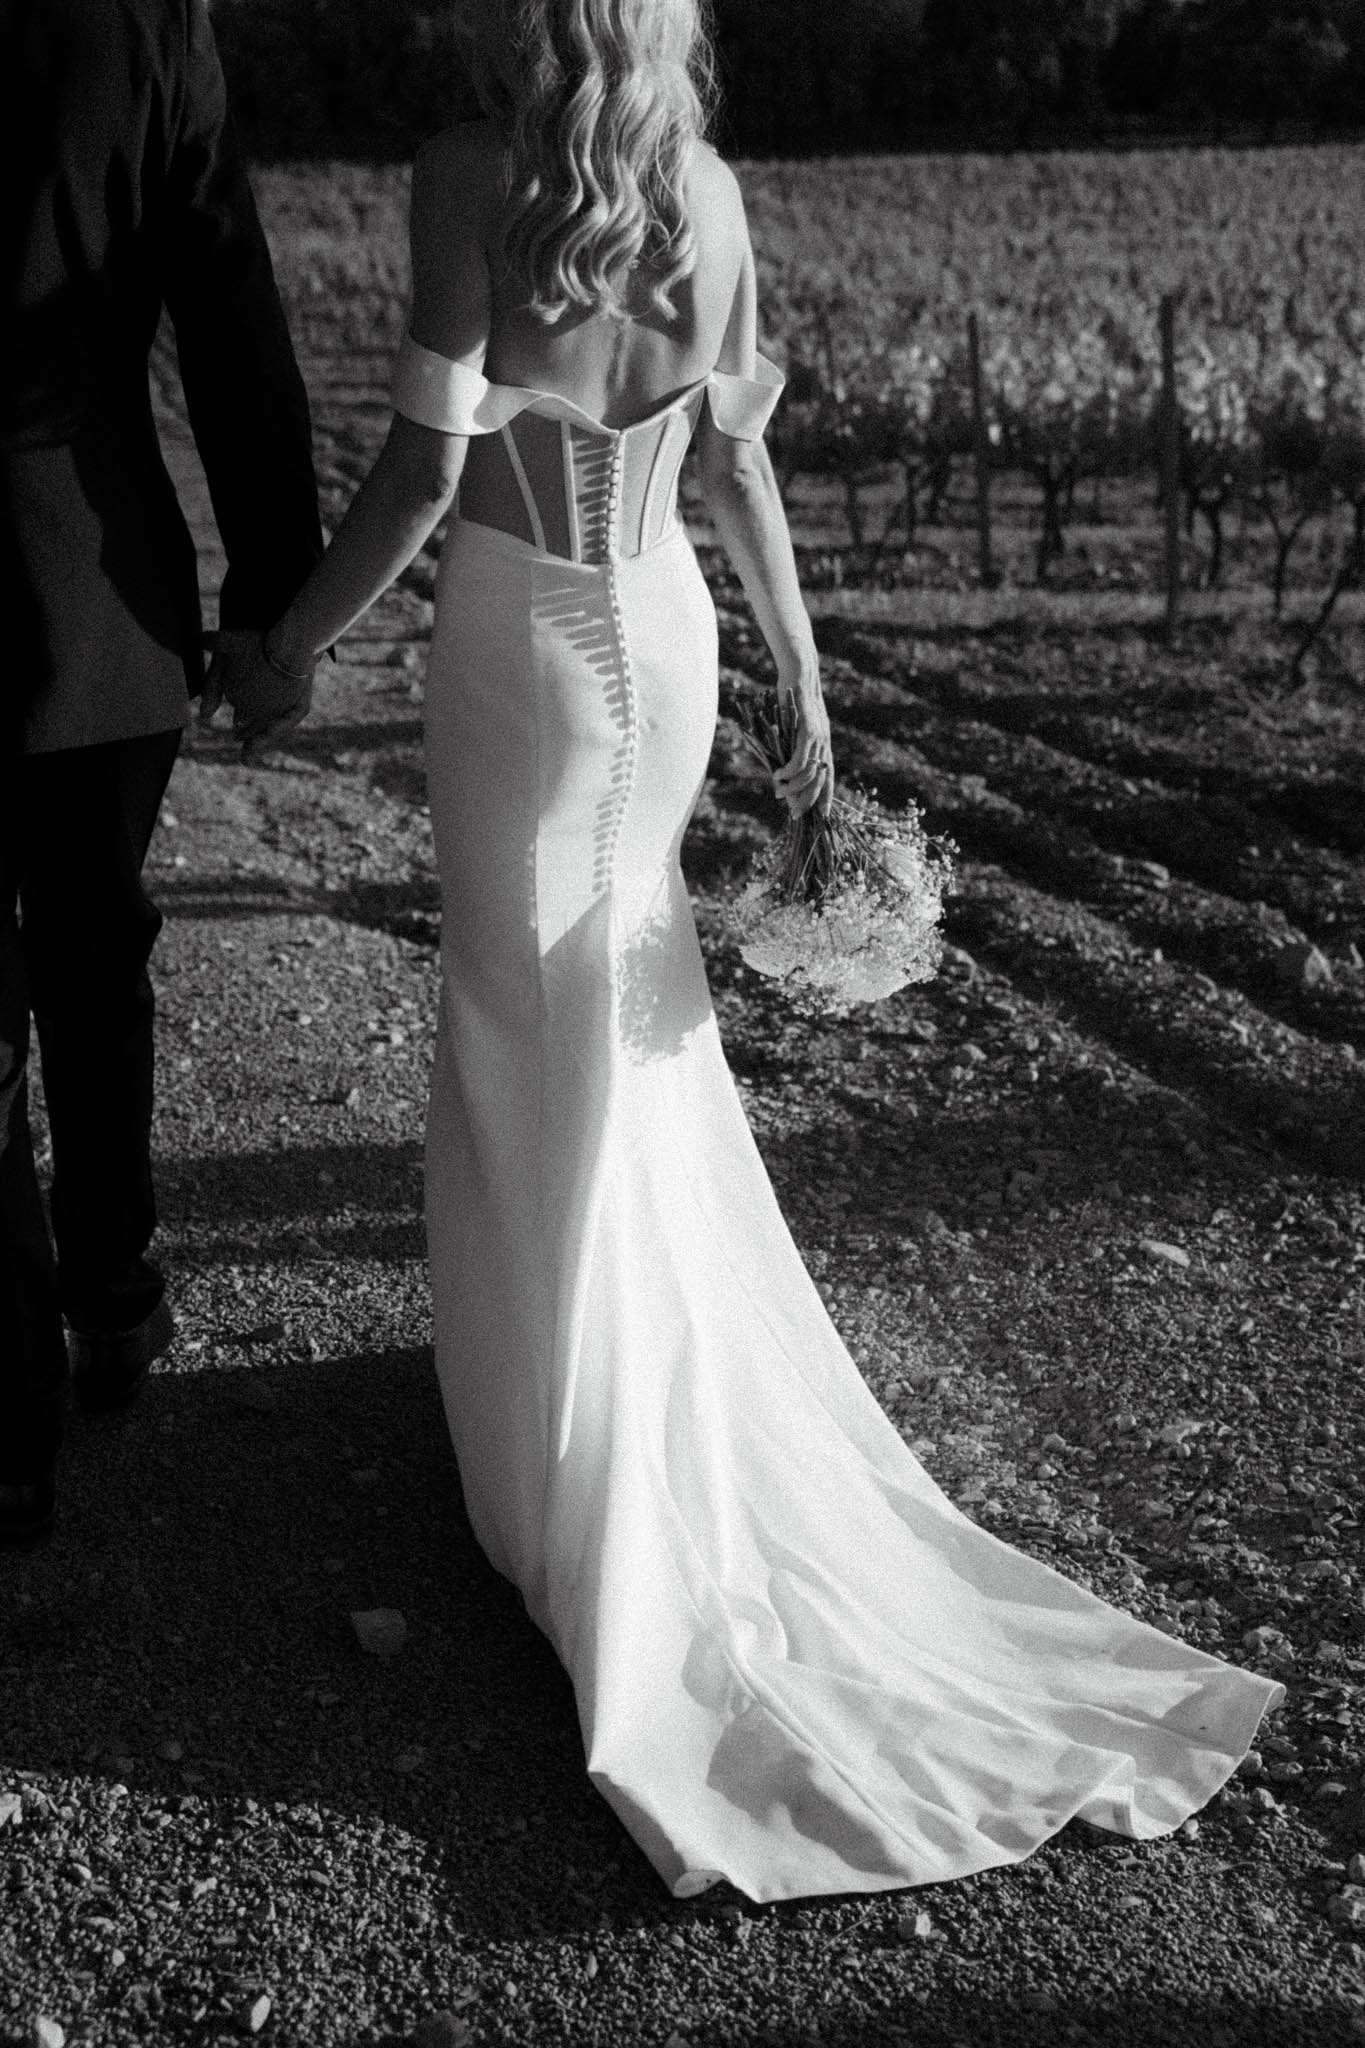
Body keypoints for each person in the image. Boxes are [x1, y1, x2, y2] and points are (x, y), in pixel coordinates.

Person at [232, 0, 1282, 1903]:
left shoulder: (471, 177)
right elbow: (733, 476)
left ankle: (571, 1489)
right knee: (626, 1032)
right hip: (671, 628)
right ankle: (617, 1414)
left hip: (527, 640)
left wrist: (288, 644)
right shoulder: (704, 192)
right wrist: (803, 684)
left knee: (515, 1022)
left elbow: (415, 476)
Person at [0, 0, 323, 1545]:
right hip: (100, 583)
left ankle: (8, 1420)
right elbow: (227, 310)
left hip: (82, 590)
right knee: (91, 945)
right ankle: (111, 1295)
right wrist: (274, 592)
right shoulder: (141, 29)